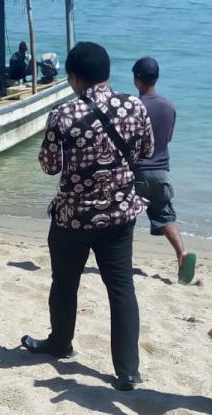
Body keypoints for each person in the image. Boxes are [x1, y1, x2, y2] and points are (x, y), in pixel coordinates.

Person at [20, 42, 154, 391]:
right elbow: (146, 151)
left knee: (65, 283)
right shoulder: (134, 106)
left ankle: (60, 343)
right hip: (120, 213)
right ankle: (127, 371)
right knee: (122, 288)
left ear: (74, 77)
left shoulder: (63, 115)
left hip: (74, 216)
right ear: (108, 73)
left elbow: (50, 167)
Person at [131, 57, 198, 285]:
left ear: (136, 79)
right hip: (161, 173)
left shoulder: (134, 106)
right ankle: (181, 253)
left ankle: (119, 258)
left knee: (124, 218)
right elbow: (168, 137)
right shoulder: (169, 106)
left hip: (137, 173)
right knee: (165, 216)